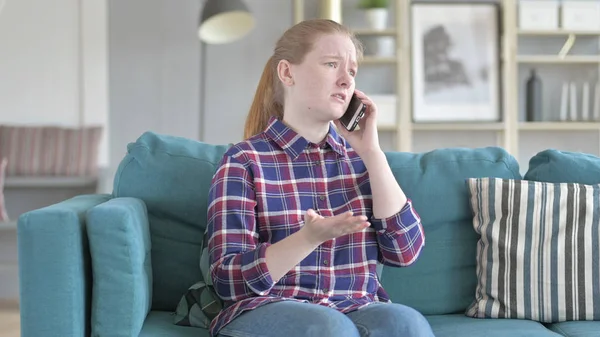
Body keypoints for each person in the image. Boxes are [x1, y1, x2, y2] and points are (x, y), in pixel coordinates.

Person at [206, 19, 434, 337]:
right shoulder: (244, 161)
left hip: (356, 306)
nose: (345, 80)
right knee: (329, 327)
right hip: (267, 308)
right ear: (287, 73)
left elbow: (405, 251)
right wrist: (308, 238)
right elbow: (229, 281)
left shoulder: (362, 161)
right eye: (331, 64)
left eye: (352, 72)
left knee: (405, 322)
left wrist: (373, 154)